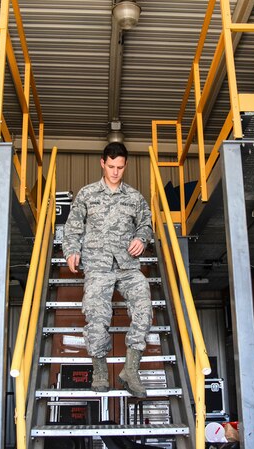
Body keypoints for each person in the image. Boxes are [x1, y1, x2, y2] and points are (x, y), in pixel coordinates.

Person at [62, 142, 154, 397]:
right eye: (111, 166)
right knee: (97, 316)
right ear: (102, 163)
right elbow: (72, 227)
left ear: (125, 166)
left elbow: (146, 225)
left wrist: (141, 239)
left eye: (120, 167)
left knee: (145, 308)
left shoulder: (135, 197)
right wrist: (71, 250)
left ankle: (130, 370)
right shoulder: (87, 194)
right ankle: (100, 372)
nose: (115, 172)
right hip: (97, 265)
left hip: (127, 265)